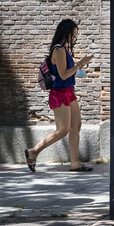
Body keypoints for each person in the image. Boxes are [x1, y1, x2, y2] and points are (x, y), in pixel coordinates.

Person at [24, 19, 94, 172]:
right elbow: (63, 75)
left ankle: (75, 163)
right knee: (63, 129)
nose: (74, 37)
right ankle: (33, 152)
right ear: (65, 32)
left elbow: (68, 73)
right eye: (73, 34)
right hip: (60, 93)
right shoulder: (59, 50)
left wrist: (79, 69)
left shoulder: (65, 48)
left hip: (69, 92)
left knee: (76, 126)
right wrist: (81, 63)